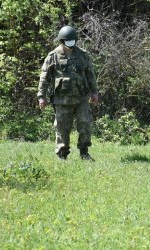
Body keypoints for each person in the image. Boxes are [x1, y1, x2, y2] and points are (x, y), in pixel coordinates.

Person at [38, 25, 99, 160]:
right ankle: (62, 155)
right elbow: (44, 77)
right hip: (62, 99)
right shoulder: (53, 56)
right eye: (68, 41)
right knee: (62, 128)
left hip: (81, 98)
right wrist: (41, 96)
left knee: (85, 123)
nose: (71, 43)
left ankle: (84, 152)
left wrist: (94, 92)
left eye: (73, 40)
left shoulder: (83, 55)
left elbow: (90, 74)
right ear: (62, 41)